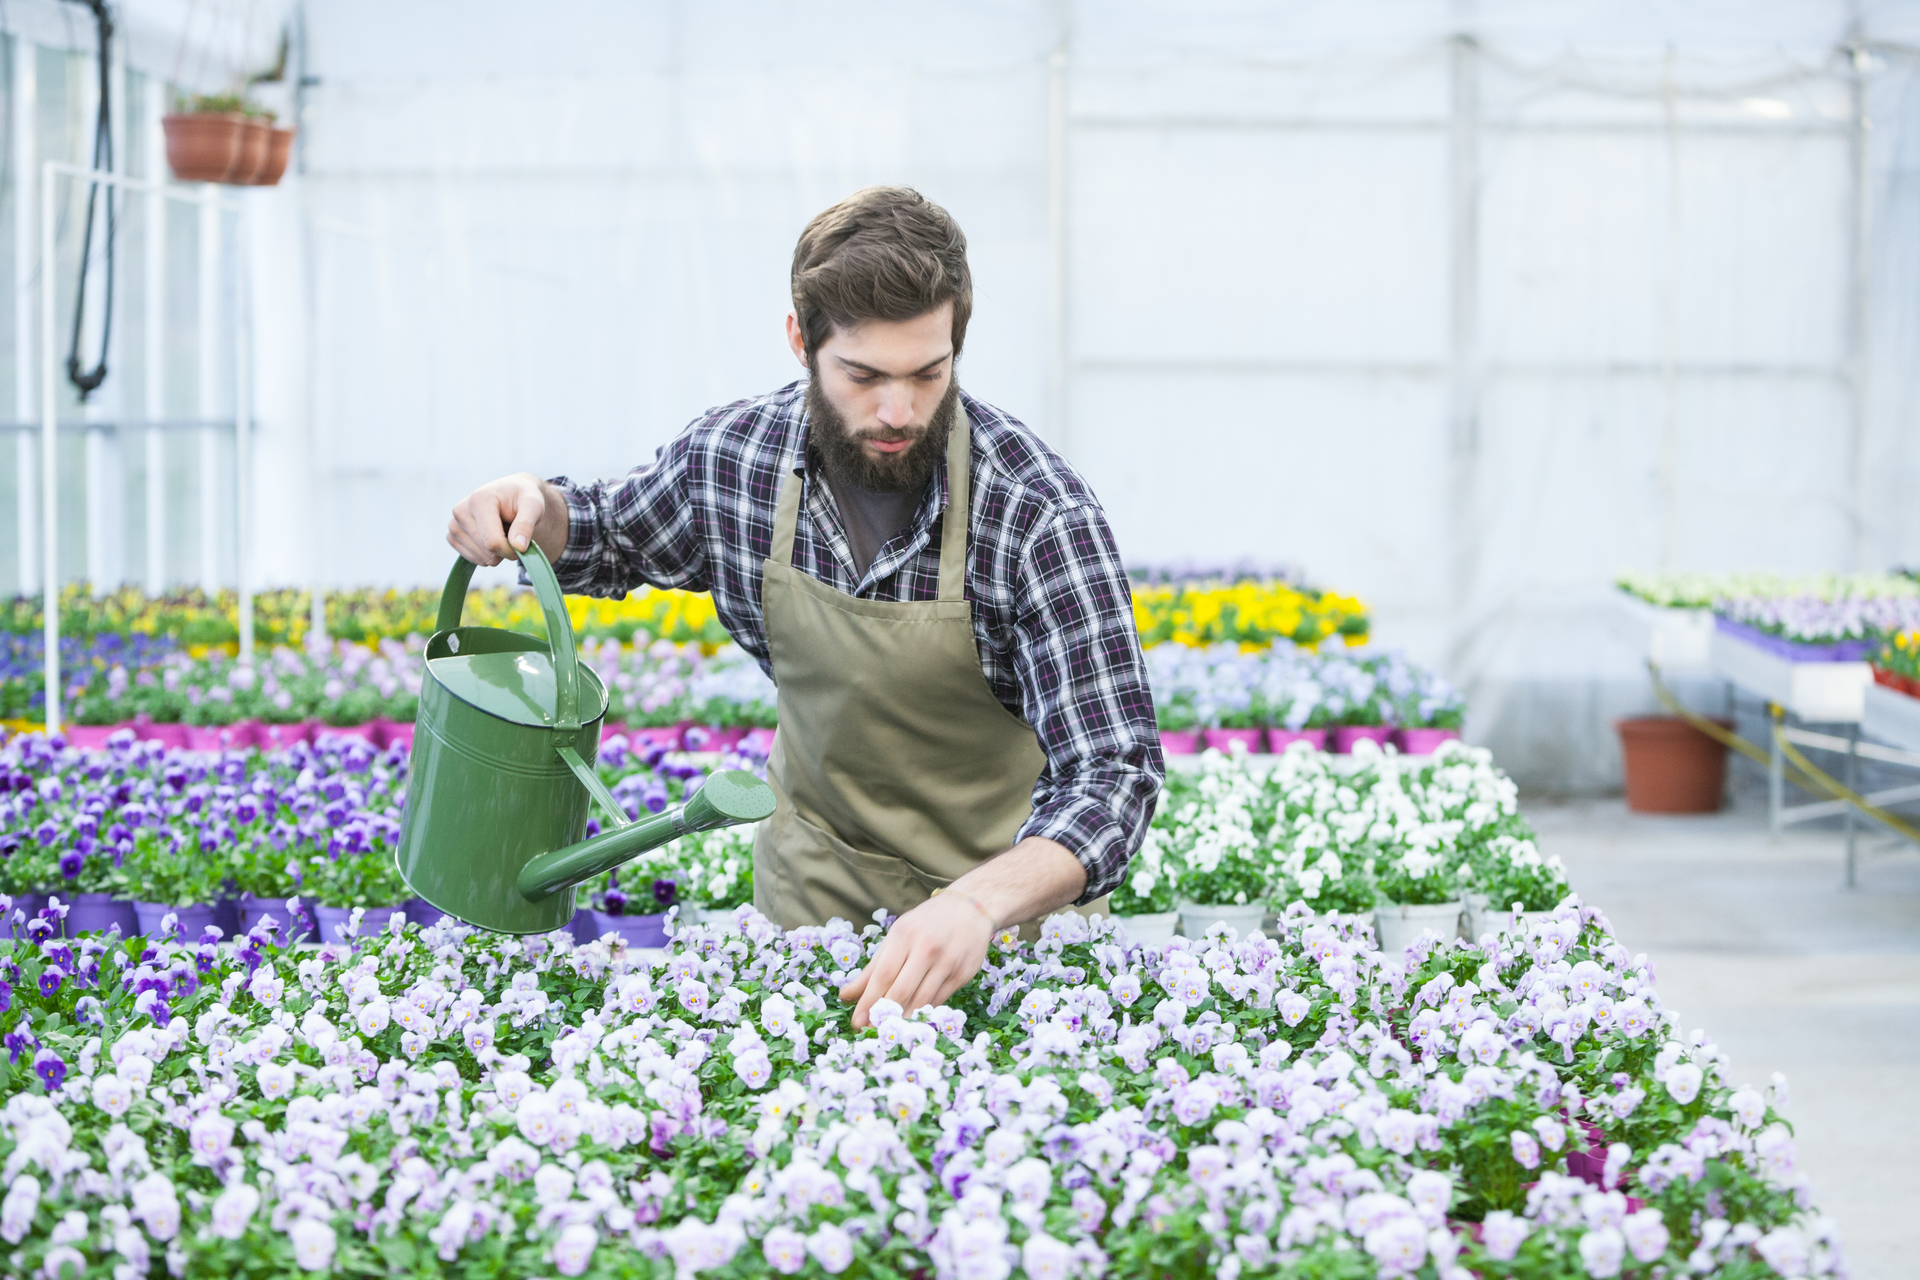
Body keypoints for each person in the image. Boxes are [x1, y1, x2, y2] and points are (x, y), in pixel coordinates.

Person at [447, 186, 1161, 1026]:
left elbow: (1114, 774)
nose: (897, 411)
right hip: (811, 912)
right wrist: (530, 501)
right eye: (863, 376)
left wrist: (976, 906)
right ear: (800, 341)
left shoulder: (1035, 516)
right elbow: (608, 531)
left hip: (1006, 937)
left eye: (928, 374)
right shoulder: (735, 460)